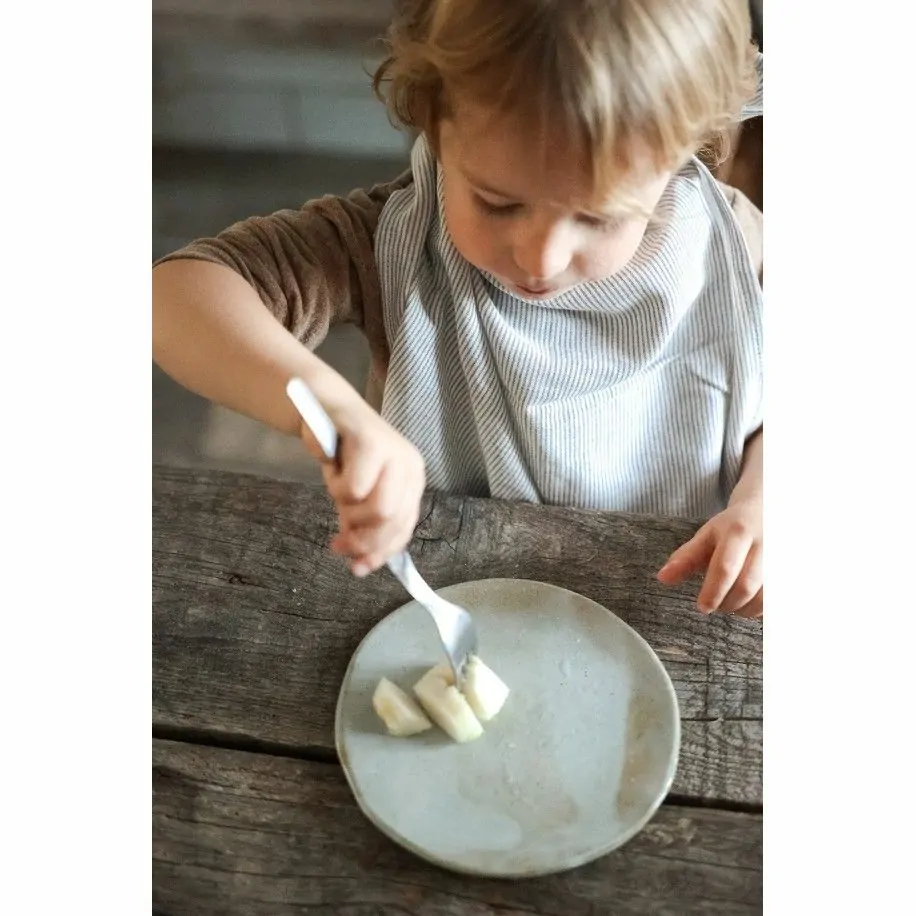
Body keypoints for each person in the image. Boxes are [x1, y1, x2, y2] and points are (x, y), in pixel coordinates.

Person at [153, 0, 764, 618]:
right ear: (434, 119)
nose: (541, 258)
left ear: (686, 150)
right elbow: (173, 299)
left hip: (674, 606)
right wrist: (325, 406)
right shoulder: (392, 241)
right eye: (498, 203)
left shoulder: (734, 247)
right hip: (455, 595)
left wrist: (764, 497)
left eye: (600, 217)